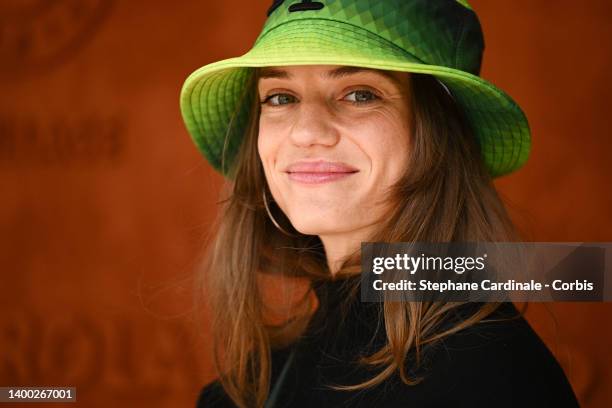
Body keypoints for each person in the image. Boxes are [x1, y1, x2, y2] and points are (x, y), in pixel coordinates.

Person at [179, 1, 580, 407]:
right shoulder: (244, 391)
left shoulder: (493, 377)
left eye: (359, 94)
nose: (306, 132)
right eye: (281, 97)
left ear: (437, 132)